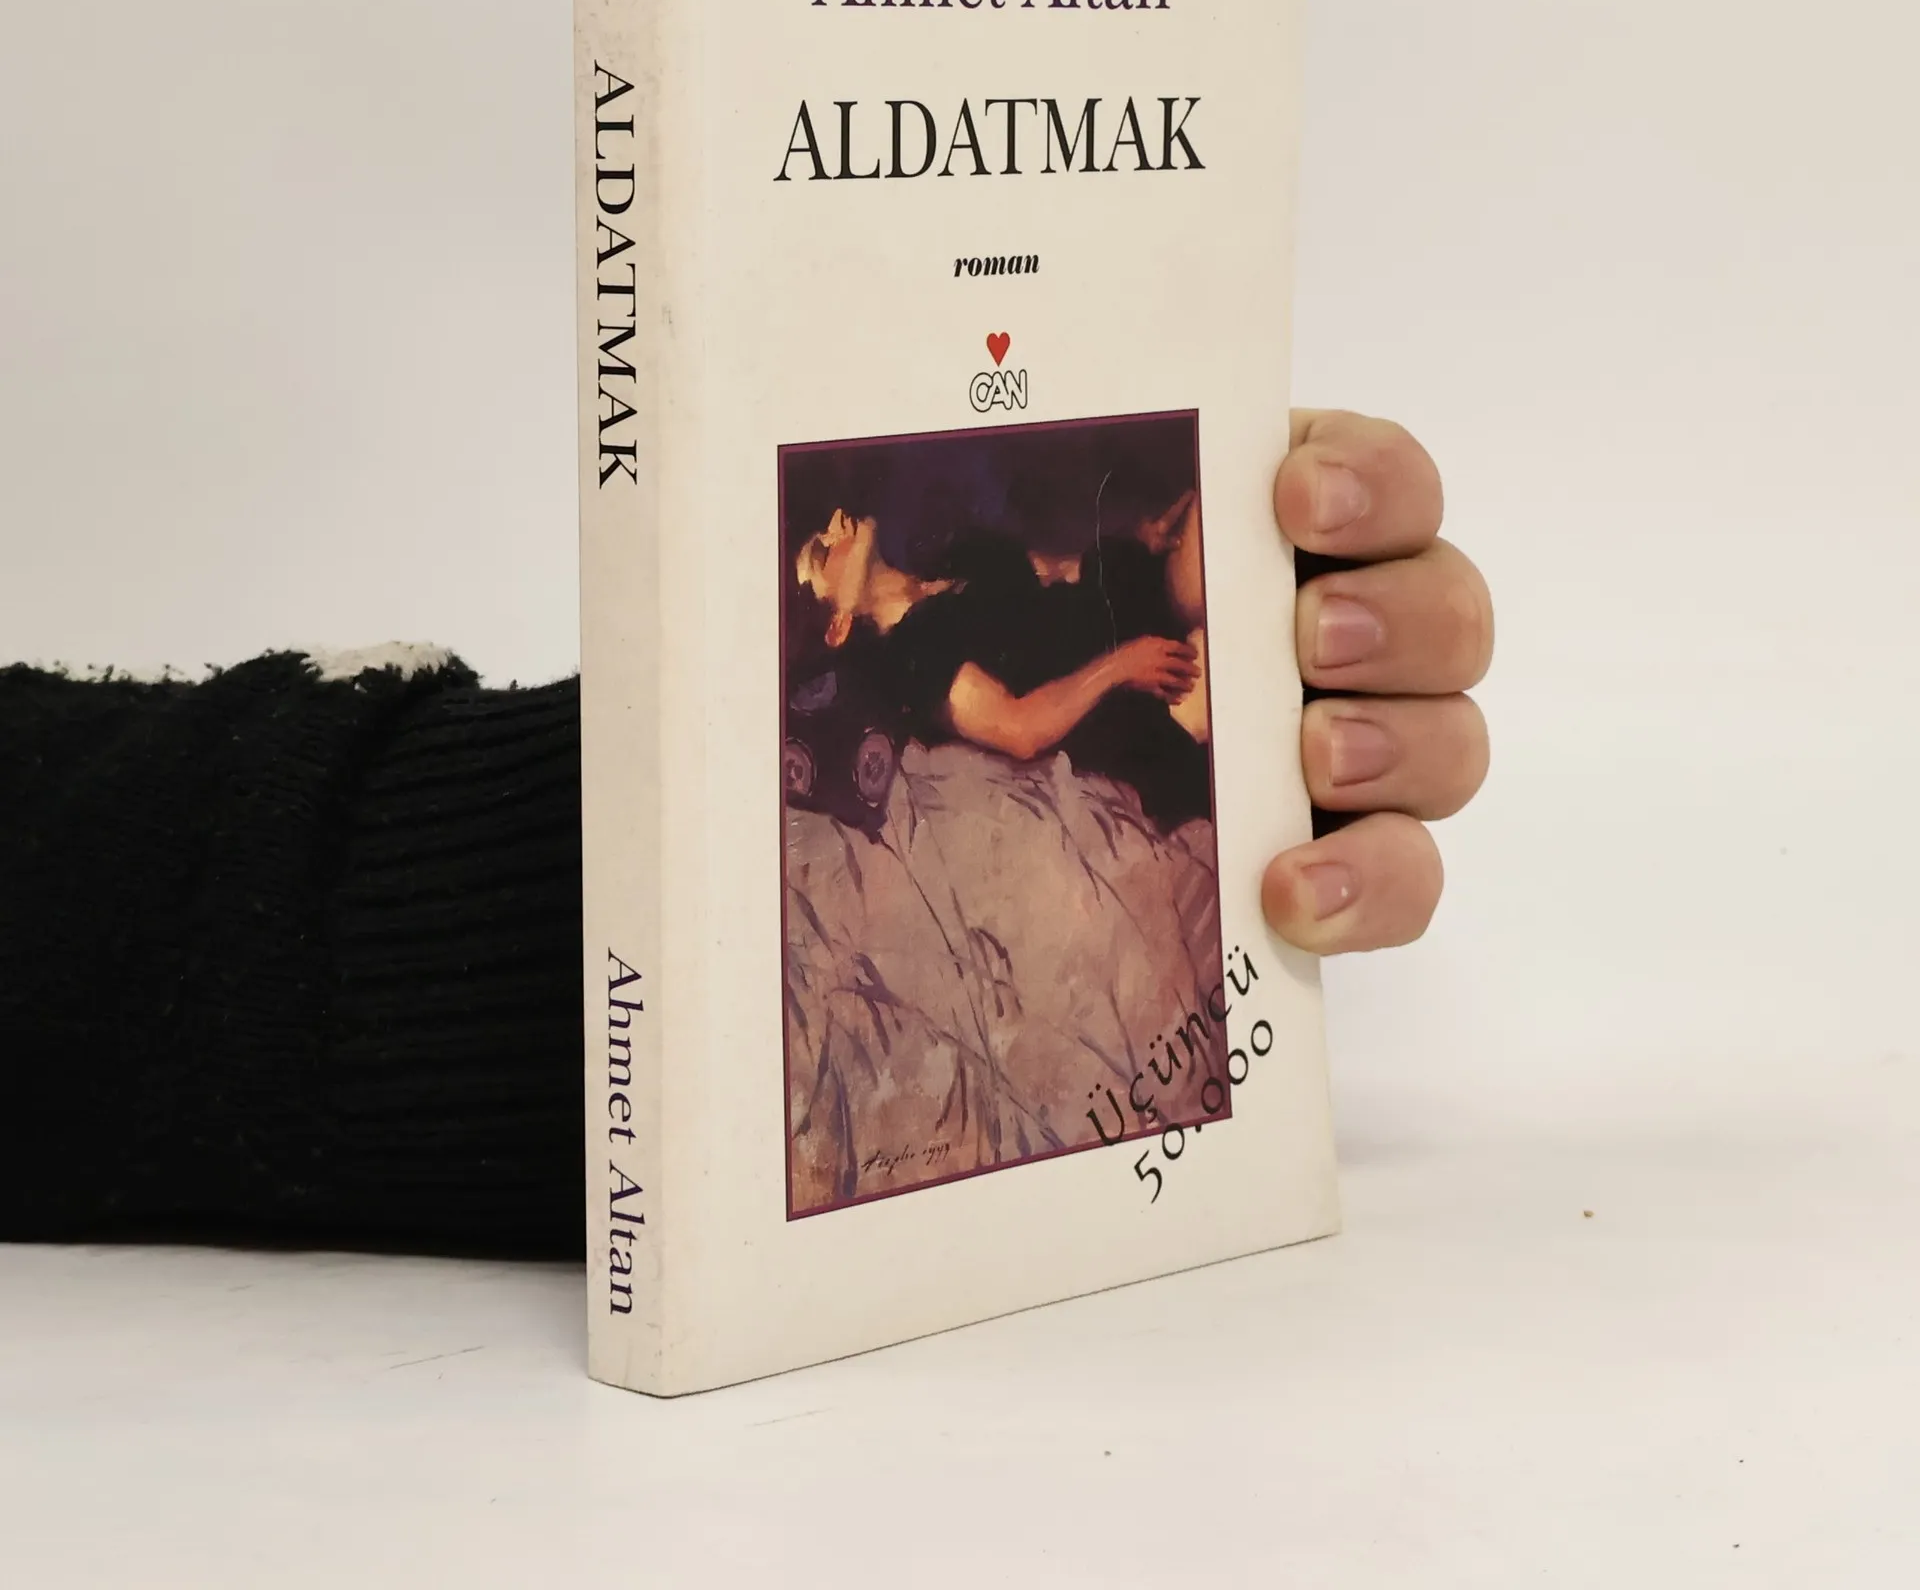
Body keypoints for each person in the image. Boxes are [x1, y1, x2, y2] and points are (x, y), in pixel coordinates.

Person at [0, 411, 1493, 1257]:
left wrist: (1183, 542)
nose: (820, 539)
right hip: (1076, 772)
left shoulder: (973, 564)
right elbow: (1024, 729)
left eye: (820, 532)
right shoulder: (914, 658)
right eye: (808, 557)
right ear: (832, 617)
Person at [790, 487, 1210, 828]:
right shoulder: (912, 654)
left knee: (1206, 510)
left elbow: (1055, 570)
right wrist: (1122, 666)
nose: (838, 521)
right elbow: (1020, 729)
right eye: (823, 551)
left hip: (1125, 603)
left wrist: (1136, 539)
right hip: (1126, 693)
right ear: (838, 626)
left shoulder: (952, 556)